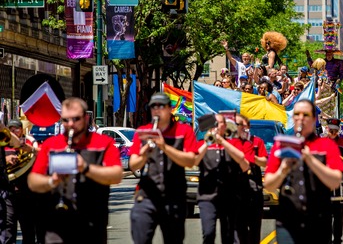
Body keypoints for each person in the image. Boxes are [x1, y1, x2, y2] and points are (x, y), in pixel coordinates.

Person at [28, 97, 123, 244]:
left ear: (86, 118)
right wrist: (52, 180)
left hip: (92, 224)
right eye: (66, 120)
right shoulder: (50, 144)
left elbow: (116, 175)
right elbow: (33, 181)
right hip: (55, 223)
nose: (71, 124)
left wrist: (85, 168)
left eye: (76, 119)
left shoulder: (104, 143)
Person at [264, 99, 343, 244]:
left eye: (305, 115)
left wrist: (310, 159)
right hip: (288, 220)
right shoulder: (281, 144)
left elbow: (335, 181)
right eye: (296, 114)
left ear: (314, 119)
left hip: (318, 221)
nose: (300, 118)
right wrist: (283, 170)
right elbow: (269, 185)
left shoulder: (326, 145)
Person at [129, 92, 198, 244]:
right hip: (147, 195)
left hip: (173, 197)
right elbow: (133, 165)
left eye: (161, 106)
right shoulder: (142, 132)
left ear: (169, 109)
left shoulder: (183, 131)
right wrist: (144, 154)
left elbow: (190, 161)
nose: (157, 110)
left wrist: (164, 146)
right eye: (153, 107)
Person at [194, 113, 250, 244]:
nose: (216, 127)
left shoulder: (234, 143)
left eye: (218, 123)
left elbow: (243, 162)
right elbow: (194, 161)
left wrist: (223, 142)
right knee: (208, 233)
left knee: (229, 235)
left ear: (225, 126)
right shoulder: (202, 144)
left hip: (229, 197)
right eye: (213, 124)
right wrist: (208, 142)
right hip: (207, 196)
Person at [5, 119, 42, 244]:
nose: (13, 131)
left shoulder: (29, 144)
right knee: (8, 228)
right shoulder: (3, 144)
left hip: (27, 193)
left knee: (28, 229)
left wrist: (31, 150)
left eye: (16, 128)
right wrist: (7, 159)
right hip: (8, 192)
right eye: (10, 129)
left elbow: (46, 155)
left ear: (21, 129)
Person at [234, 114, 267, 244]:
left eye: (243, 126)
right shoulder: (231, 143)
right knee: (238, 231)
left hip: (254, 191)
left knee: (254, 230)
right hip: (236, 192)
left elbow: (264, 162)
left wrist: (251, 156)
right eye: (238, 125)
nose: (241, 128)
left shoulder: (257, 142)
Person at [323, 118, 343, 244]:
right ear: (326, 129)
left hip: (341, 184)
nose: (333, 133)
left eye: (336, 130)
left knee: (339, 215)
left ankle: (337, 240)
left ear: (339, 130)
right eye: (331, 130)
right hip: (324, 184)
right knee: (325, 215)